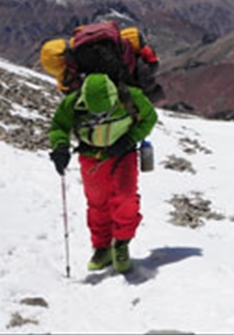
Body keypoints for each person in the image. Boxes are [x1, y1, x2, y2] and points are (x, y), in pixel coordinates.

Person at [48, 73, 157, 274]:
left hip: (124, 153)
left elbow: (150, 117)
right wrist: (60, 147)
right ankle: (102, 247)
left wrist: (129, 139)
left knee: (125, 198)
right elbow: (59, 127)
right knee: (97, 202)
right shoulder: (72, 103)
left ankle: (121, 244)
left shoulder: (130, 96)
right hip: (91, 156)